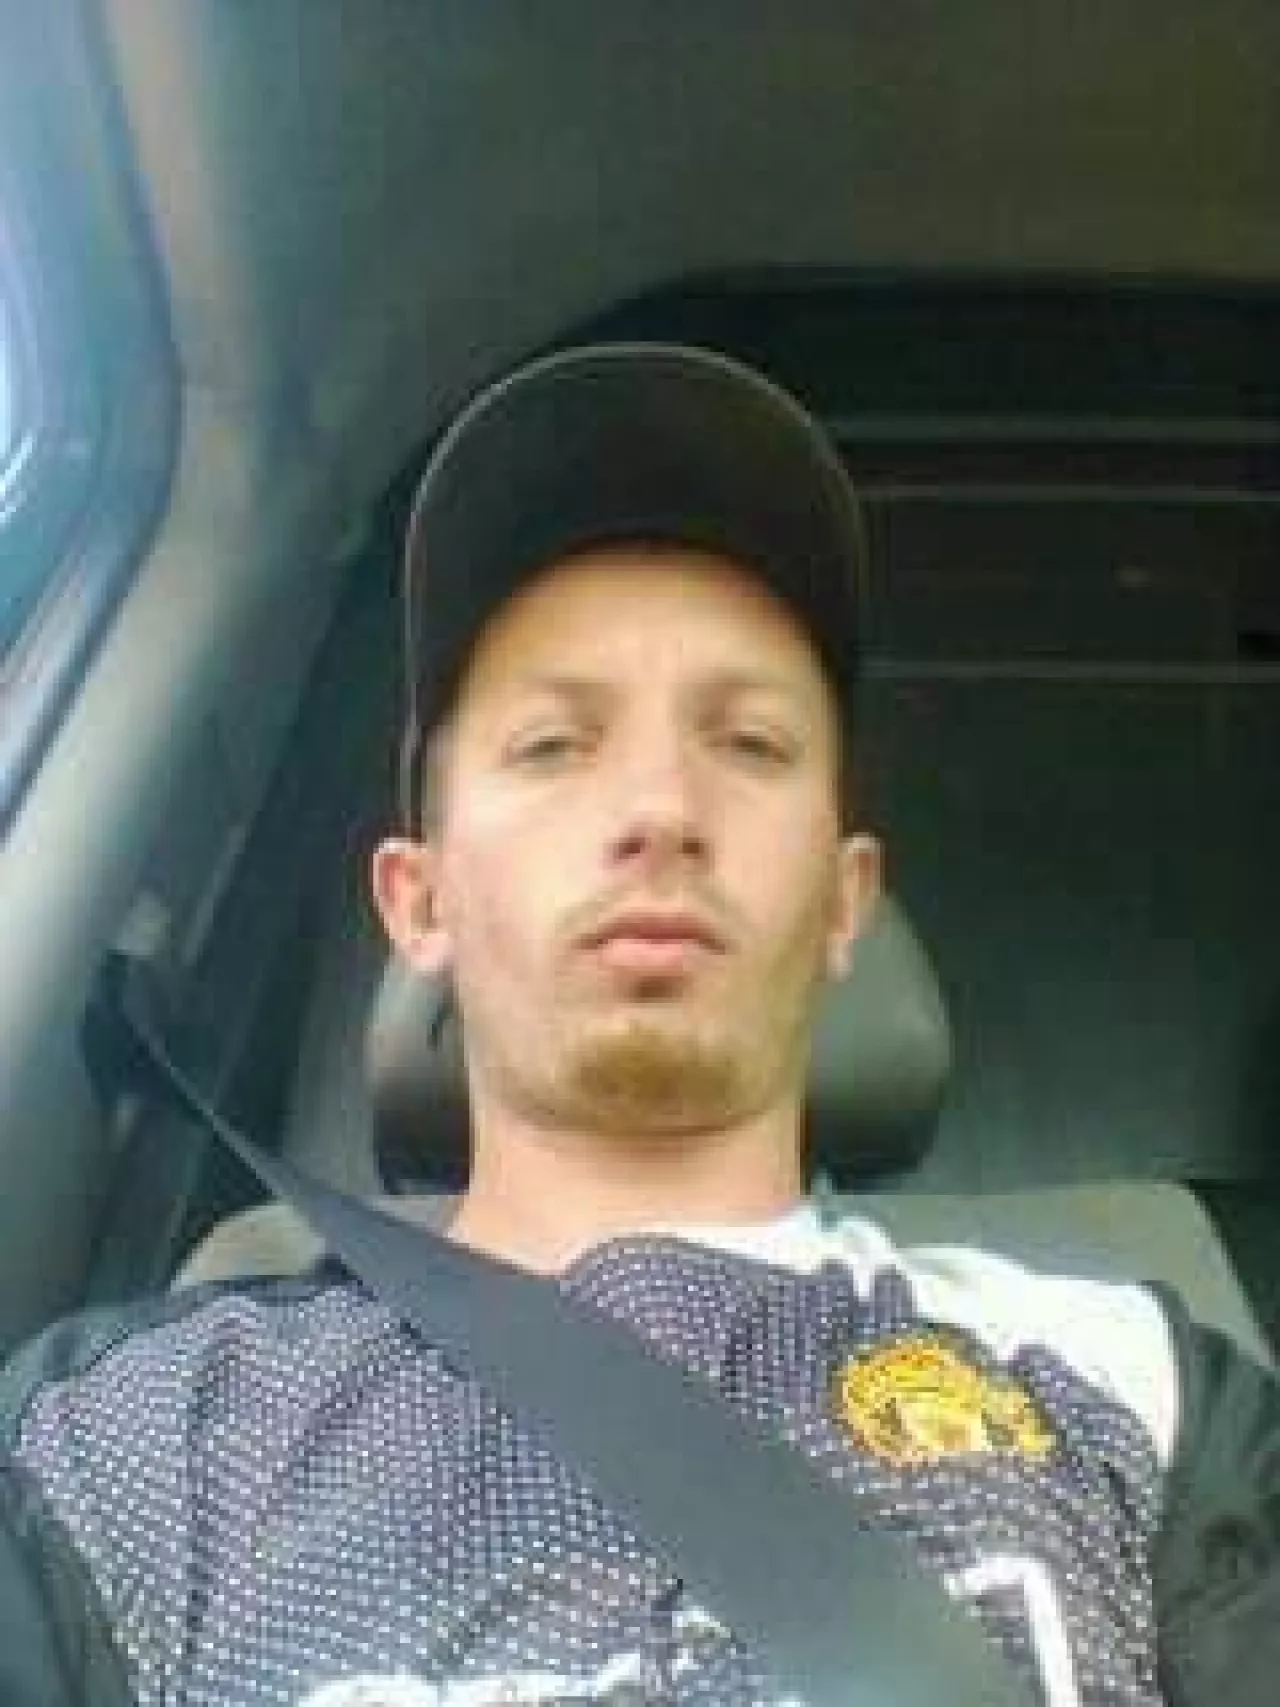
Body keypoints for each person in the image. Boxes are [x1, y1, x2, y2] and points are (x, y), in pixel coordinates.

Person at [0, 342, 1277, 1707]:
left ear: (845, 900)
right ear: (417, 899)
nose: (661, 807)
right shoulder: (129, 1443)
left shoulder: (1139, 1385)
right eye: (554, 746)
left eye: (751, 743)